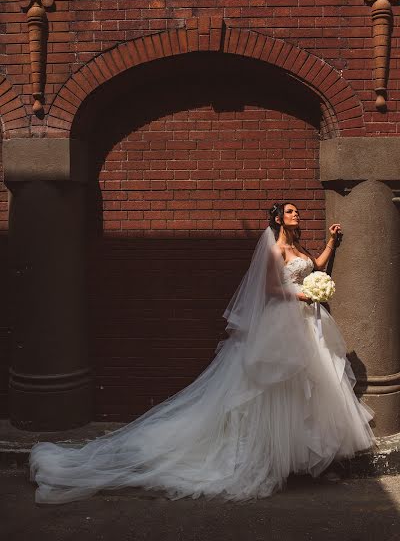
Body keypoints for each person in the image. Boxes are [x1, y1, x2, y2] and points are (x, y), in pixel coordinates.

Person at [30, 202, 375, 504]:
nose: (297, 214)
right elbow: (272, 290)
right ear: (278, 220)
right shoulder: (274, 252)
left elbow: (315, 266)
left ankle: (295, 459)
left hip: (307, 326)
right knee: (274, 390)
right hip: (283, 326)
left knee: (306, 390)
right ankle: (268, 458)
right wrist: (305, 295)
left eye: (296, 211)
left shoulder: (300, 249)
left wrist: (331, 244)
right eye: (290, 211)